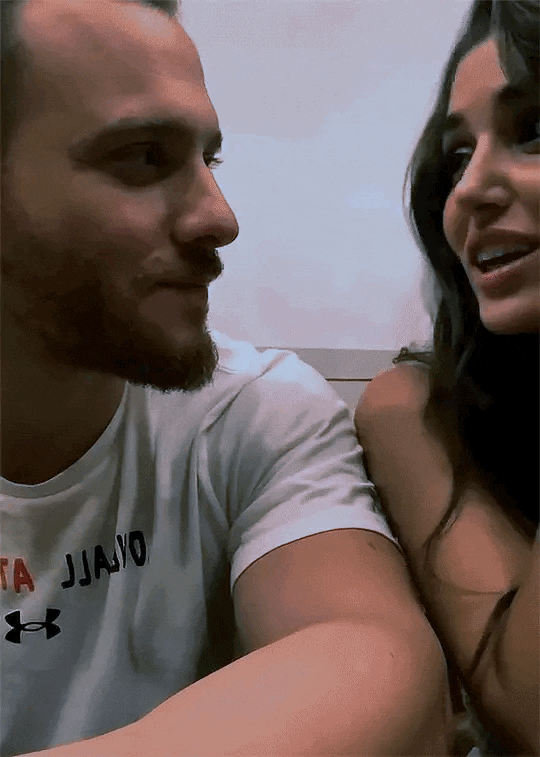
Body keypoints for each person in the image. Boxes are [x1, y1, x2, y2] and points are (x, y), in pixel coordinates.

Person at [0, 1, 454, 755]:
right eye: (143, 157)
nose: (220, 217)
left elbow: (379, 667)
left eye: (209, 161)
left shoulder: (254, 414)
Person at [354, 1, 539, 755]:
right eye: (458, 156)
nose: (469, 190)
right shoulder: (416, 408)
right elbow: (531, 714)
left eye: (534, 130)